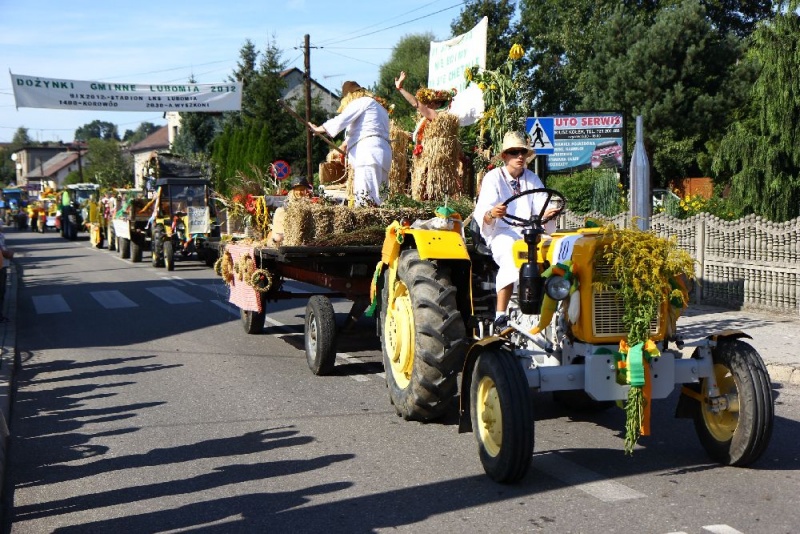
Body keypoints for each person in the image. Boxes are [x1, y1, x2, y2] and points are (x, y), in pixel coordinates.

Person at [473, 131, 561, 328]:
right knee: (515, 254)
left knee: (557, 252)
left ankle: (555, 307)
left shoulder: (532, 179)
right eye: (514, 152)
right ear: (505, 156)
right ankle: (500, 316)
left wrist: (548, 214)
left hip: (529, 232)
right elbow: (484, 214)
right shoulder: (493, 178)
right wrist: (493, 213)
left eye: (522, 152)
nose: (519, 156)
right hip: (502, 231)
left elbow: (540, 204)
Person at [308, 81, 391, 207]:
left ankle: (368, 225)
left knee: (365, 199)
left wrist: (319, 129)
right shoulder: (379, 109)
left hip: (368, 155)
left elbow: (341, 120)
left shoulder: (361, 102)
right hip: (382, 154)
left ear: (349, 96)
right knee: (380, 199)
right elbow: (363, 131)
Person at [267, 176, 313, 247]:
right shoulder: (284, 208)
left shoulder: (309, 204)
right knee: (278, 238)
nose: (299, 192)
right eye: (297, 190)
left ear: (305, 190)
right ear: (293, 191)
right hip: (286, 238)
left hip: (306, 238)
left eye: (301, 190)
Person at [0, 221, 14, 322]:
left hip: (2, 265)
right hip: (0, 267)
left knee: (2, 291)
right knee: (0, 291)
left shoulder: (1, 235)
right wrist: (8, 253)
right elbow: (3, 251)